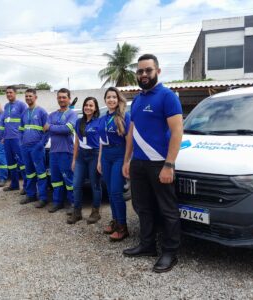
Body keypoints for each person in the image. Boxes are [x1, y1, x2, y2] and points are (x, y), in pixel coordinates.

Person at [122, 54, 183, 273]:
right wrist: (127, 159)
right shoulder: (137, 99)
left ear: (158, 71)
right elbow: (131, 131)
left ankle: (170, 252)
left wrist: (169, 164)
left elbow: (177, 132)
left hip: (159, 164)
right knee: (142, 207)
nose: (144, 74)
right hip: (138, 163)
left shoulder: (167, 97)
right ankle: (147, 245)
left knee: (167, 210)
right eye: (140, 71)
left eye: (148, 70)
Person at [97, 87, 130, 241]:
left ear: (118, 100)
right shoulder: (103, 119)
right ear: (105, 100)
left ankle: (123, 227)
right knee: (110, 192)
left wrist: (127, 161)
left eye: (114, 97)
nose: (111, 100)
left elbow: (129, 140)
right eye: (108, 97)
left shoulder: (124, 116)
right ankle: (116, 221)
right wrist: (99, 160)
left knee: (117, 192)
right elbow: (101, 142)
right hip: (106, 156)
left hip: (119, 155)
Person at [68, 97, 102, 224]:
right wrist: (74, 159)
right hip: (81, 156)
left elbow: (102, 143)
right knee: (76, 184)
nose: (88, 107)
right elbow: (77, 141)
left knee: (95, 185)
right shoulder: (78, 122)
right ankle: (77, 212)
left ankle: (95, 212)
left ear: (95, 108)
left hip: (94, 154)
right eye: (86, 105)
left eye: (91, 105)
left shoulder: (99, 122)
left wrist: (99, 160)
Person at [44, 88, 77, 214]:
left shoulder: (72, 114)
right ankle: (58, 202)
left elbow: (67, 129)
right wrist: (55, 128)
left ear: (69, 99)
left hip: (66, 151)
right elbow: (46, 129)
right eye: (59, 97)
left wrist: (51, 127)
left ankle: (73, 203)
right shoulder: (52, 114)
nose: (61, 99)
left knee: (68, 179)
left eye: (64, 97)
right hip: (53, 152)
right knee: (55, 179)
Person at [19, 89, 49, 207]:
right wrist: (21, 143)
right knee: (29, 173)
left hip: (37, 147)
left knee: (40, 173)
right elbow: (21, 130)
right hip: (25, 147)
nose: (28, 98)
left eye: (30, 96)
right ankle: (31, 195)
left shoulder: (42, 112)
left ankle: (43, 197)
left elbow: (47, 130)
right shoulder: (24, 113)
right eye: (26, 96)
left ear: (35, 97)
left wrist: (41, 144)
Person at [2, 86, 27, 194]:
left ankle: (27, 186)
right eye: (7, 93)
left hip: (17, 138)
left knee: (22, 163)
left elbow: (26, 120)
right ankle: (14, 184)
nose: (8, 94)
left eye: (10, 92)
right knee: (11, 163)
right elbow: (5, 122)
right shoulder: (6, 106)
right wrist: (4, 136)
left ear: (15, 93)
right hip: (7, 139)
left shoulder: (21, 105)